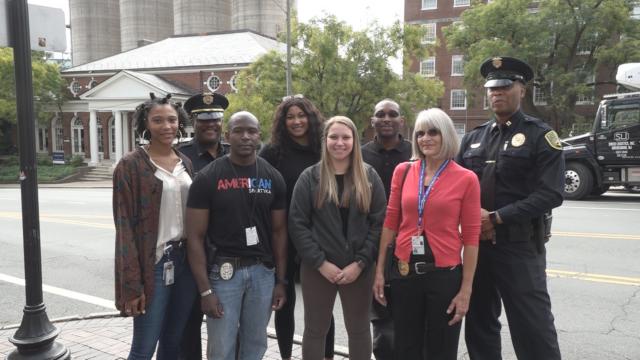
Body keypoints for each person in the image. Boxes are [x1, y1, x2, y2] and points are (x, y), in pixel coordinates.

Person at [456, 56, 564, 360]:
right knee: (479, 323)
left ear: (522, 90)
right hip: (478, 247)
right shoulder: (473, 139)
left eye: (504, 86)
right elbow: (456, 188)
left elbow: (551, 193)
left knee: (533, 327)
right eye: (492, 88)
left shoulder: (540, 136)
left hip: (519, 247)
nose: (496, 93)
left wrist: (498, 217)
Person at [373, 108, 481, 359]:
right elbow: (390, 222)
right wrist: (380, 271)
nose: (425, 138)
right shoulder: (404, 171)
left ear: (446, 135)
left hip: (444, 277)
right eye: (420, 133)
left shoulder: (467, 179)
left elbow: (472, 237)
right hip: (404, 273)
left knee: (440, 350)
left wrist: (466, 290)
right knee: (405, 347)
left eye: (433, 132)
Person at [186, 111, 288, 360]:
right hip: (223, 274)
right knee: (221, 348)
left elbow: (279, 232)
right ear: (226, 135)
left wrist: (281, 281)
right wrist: (205, 291)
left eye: (251, 131)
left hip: (263, 273)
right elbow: (195, 237)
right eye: (238, 131)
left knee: (255, 345)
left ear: (259, 135)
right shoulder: (208, 177)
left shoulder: (273, 177)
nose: (245, 136)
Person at [289, 116, 387, 360]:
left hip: (359, 268)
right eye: (334, 137)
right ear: (325, 140)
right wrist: (321, 263)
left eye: (346, 137)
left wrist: (361, 263)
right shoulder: (310, 177)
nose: (340, 142)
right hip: (317, 268)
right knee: (315, 330)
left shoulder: (369, 176)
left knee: (360, 329)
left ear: (355, 140)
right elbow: (297, 224)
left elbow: (379, 224)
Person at [113, 93, 197, 359]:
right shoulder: (130, 166)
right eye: (158, 120)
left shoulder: (186, 163)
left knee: (173, 341)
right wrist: (131, 285)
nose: (167, 126)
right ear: (146, 124)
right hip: (156, 264)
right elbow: (124, 228)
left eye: (172, 120)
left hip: (186, 263)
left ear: (180, 122)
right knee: (144, 347)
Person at [258, 96, 336, 360]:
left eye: (301, 116)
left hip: (320, 238)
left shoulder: (323, 150)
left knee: (322, 306)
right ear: (283, 121)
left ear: (311, 118)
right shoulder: (271, 152)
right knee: (285, 301)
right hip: (283, 238)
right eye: (290, 117)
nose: (296, 121)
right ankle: (286, 356)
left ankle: (325, 355)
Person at [178, 92, 229, 360]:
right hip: (192, 254)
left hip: (227, 254)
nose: (210, 124)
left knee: (229, 325)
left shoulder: (235, 154)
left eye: (215, 119)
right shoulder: (180, 156)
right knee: (189, 324)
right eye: (203, 119)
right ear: (193, 123)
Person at [361, 98, 412, 360]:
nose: (387, 119)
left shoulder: (415, 153)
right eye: (380, 114)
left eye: (393, 114)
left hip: (409, 244)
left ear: (401, 120)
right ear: (373, 121)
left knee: (410, 317)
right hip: (371, 243)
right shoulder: (360, 155)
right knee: (381, 319)